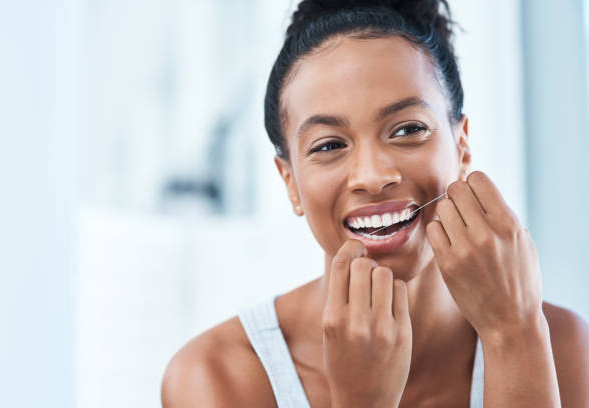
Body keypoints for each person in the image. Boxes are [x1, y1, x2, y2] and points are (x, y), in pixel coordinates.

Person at [161, 1, 589, 406]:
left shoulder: (564, 349)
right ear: (289, 181)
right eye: (329, 145)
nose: (372, 176)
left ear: (462, 148)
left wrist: (513, 336)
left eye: (407, 130)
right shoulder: (217, 378)